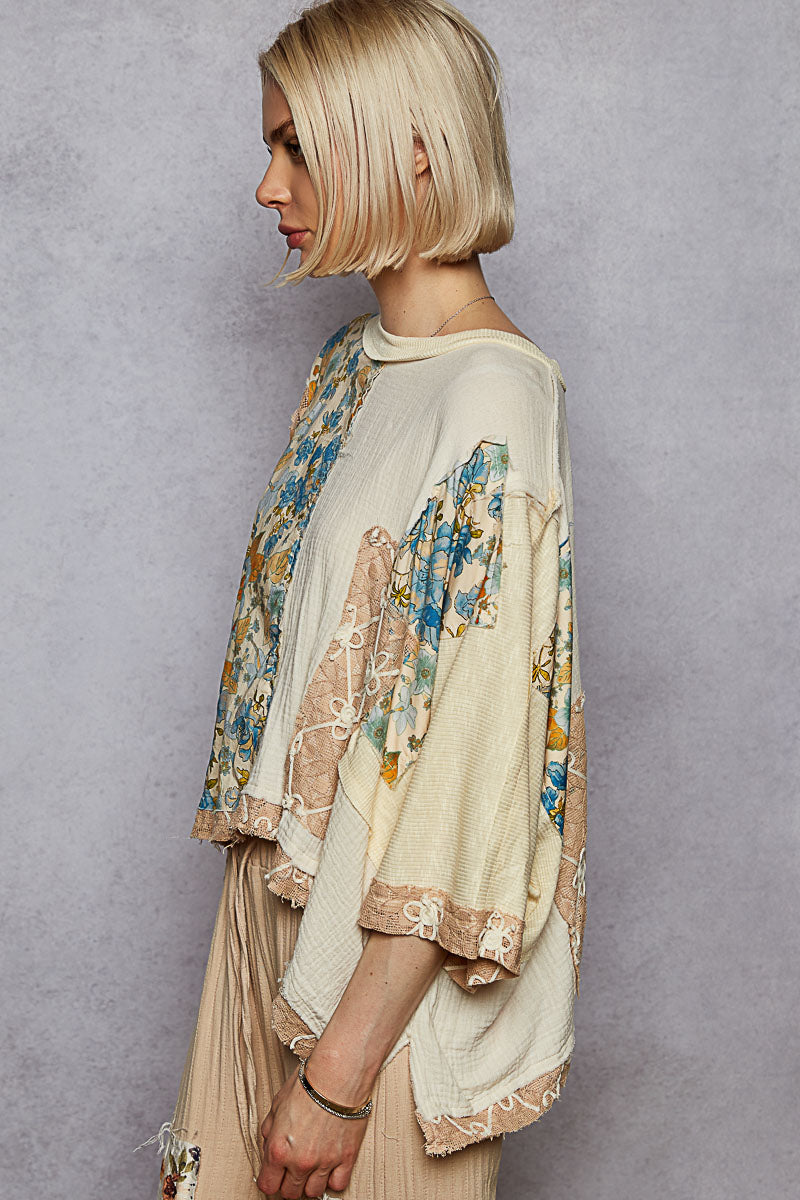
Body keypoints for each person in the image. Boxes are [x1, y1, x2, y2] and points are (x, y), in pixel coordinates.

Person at [135, 2, 589, 1197]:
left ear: (416, 148)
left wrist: (337, 1078)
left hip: (378, 1000)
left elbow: (472, 779)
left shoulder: (493, 399)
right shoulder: (349, 366)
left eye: (296, 146)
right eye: (268, 147)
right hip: (268, 909)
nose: (265, 186)